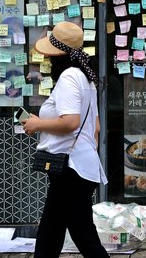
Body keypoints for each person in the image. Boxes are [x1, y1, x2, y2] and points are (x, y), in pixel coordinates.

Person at [21, 21, 109, 258]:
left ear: (59, 54)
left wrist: (38, 124)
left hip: (71, 169)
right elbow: (95, 128)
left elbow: (71, 122)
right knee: (53, 230)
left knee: (80, 233)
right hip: (77, 169)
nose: (47, 58)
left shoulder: (70, 76)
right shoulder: (85, 78)